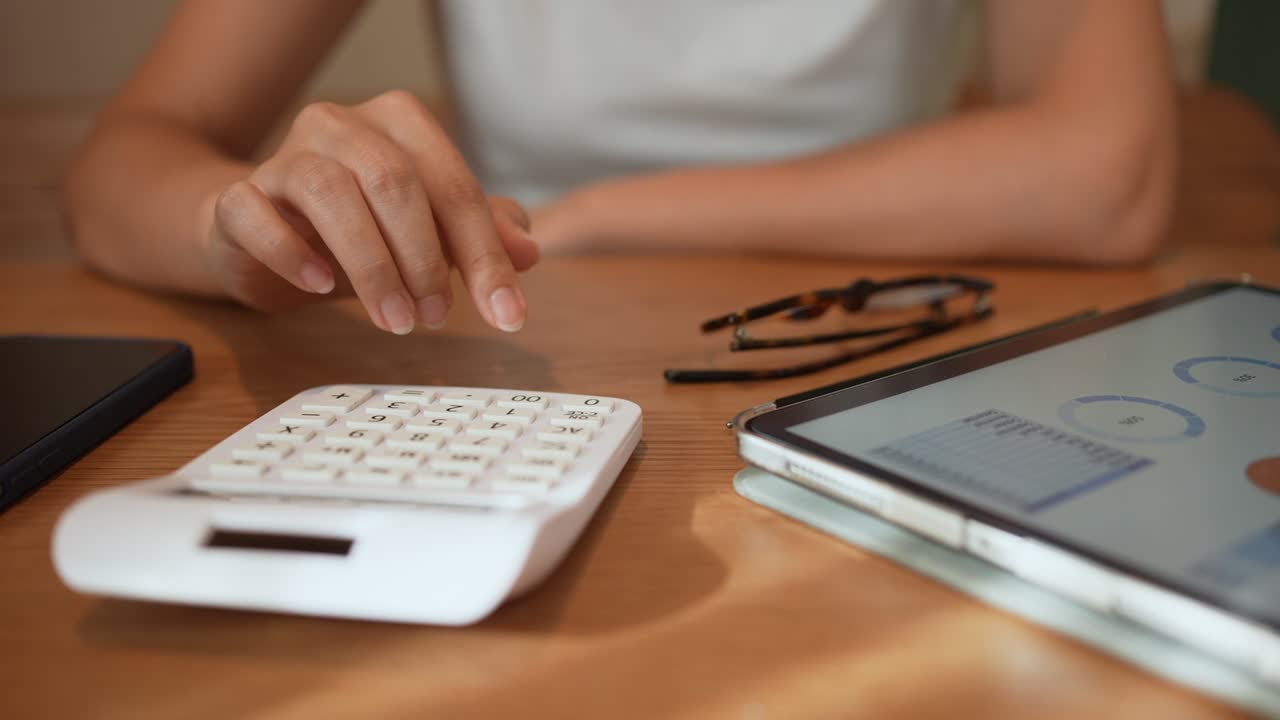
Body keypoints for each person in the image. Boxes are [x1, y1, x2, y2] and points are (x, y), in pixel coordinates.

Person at [60, 0, 1177, 335]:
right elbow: (123, 160)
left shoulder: (575, 222)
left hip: (866, 328)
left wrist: (599, 216)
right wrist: (231, 226)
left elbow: (1106, 173)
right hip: (522, 335)